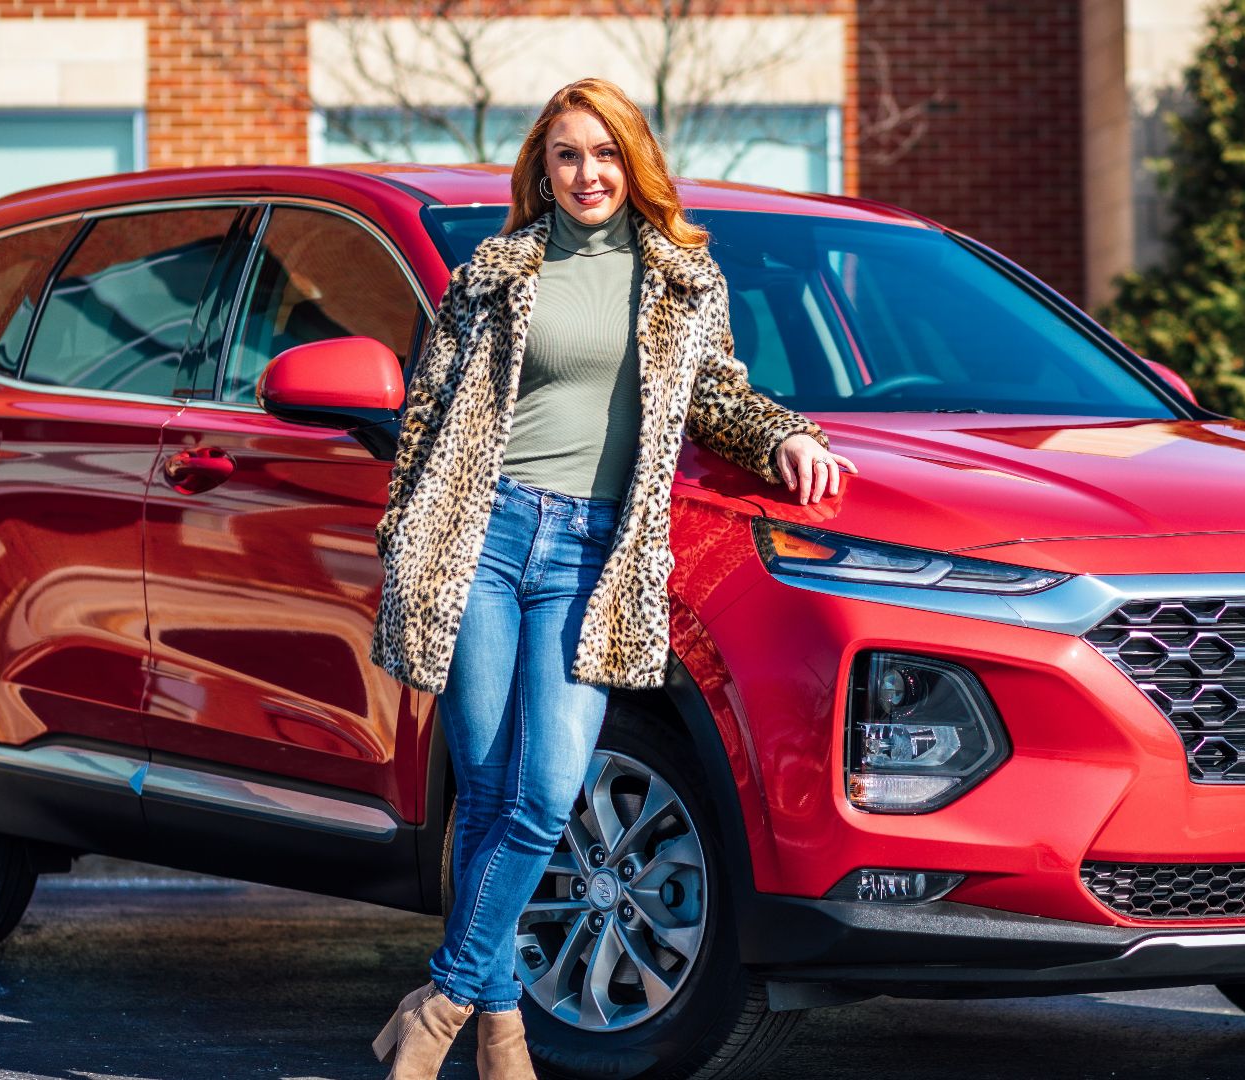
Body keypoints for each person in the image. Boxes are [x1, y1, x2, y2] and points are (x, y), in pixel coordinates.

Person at [366, 76, 856, 1080]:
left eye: (603, 153)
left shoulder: (682, 283)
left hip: (592, 554)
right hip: (482, 541)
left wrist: (789, 437)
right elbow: (427, 416)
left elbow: (721, 397)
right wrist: (406, 535)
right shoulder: (494, 273)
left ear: (634, 165)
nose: (587, 173)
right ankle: (504, 1039)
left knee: (546, 793)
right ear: (541, 172)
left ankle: (444, 998)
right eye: (566, 155)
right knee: (493, 791)